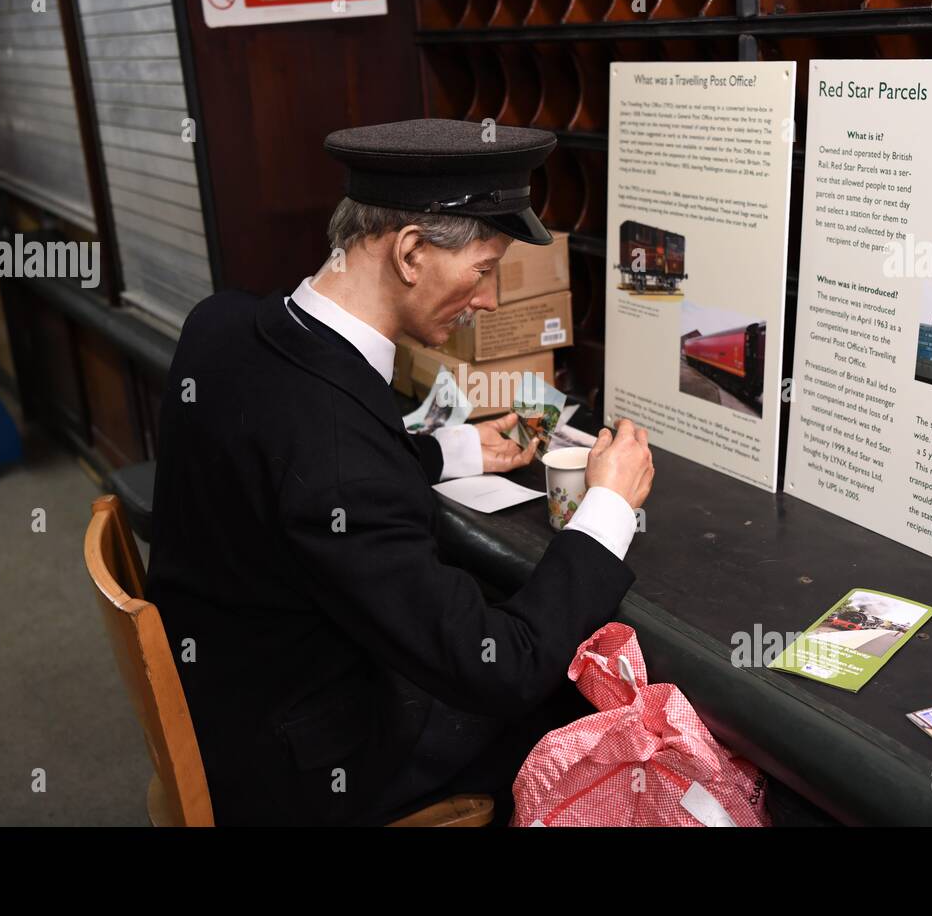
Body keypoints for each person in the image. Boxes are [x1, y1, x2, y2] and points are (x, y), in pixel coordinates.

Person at [147, 118, 655, 825]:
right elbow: (500, 667)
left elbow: (296, 456)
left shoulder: (221, 325)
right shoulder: (339, 462)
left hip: (234, 698)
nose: (488, 300)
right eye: (483, 270)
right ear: (412, 252)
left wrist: (464, 449)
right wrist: (607, 509)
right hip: (306, 769)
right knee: (583, 706)